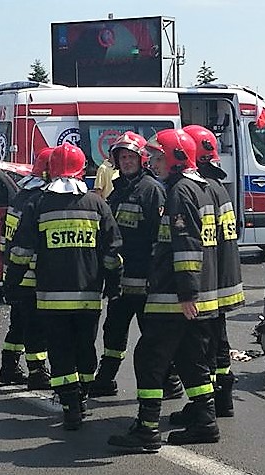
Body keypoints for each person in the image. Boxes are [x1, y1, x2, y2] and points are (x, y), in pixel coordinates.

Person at [108, 129, 220, 451]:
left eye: (157, 157)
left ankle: (146, 430)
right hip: (191, 294)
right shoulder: (197, 187)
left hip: (173, 295)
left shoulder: (179, 192)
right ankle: (205, 420)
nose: (152, 162)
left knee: (148, 358)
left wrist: (186, 294)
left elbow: (186, 247)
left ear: (173, 159)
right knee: (189, 358)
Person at [5, 143, 123, 430]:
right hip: (88, 296)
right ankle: (82, 395)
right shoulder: (97, 204)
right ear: (83, 170)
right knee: (85, 346)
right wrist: (113, 284)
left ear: (50, 171)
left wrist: (11, 285)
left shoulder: (38, 204)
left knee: (59, 349)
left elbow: (20, 251)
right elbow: (113, 252)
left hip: (51, 297)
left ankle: (70, 404)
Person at [168, 124, 244, 424]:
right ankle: (222, 399)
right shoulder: (217, 188)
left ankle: (205, 407)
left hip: (205, 282)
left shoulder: (192, 190)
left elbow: (190, 242)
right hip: (224, 280)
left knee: (197, 350)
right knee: (219, 345)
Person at [89, 132, 166, 398]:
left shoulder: (151, 189)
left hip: (144, 281)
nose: (127, 161)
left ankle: (170, 381)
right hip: (121, 280)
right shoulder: (119, 188)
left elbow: (159, 237)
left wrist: (155, 276)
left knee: (153, 336)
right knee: (113, 331)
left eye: (131, 157)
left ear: (141, 159)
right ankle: (107, 378)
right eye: (123, 157)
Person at [0, 147, 54, 389]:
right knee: (35, 327)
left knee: (18, 324)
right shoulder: (39, 198)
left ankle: (8, 367)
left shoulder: (22, 194)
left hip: (14, 270)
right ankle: (37, 372)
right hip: (30, 273)